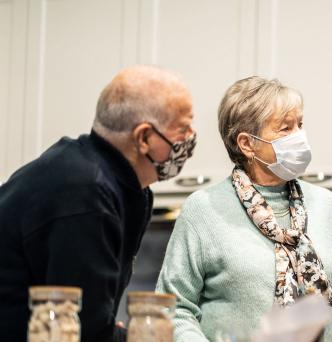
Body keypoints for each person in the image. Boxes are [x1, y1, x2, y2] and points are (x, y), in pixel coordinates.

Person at [156, 76, 332, 341]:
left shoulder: (326, 205)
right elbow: (173, 308)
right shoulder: (203, 210)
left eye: (300, 125)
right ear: (247, 144)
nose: (299, 136)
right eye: (286, 128)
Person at [0, 65, 197, 341]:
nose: (190, 138)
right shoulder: (87, 195)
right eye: (183, 128)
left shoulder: (115, 183)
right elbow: (86, 331)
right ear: (144, 138)